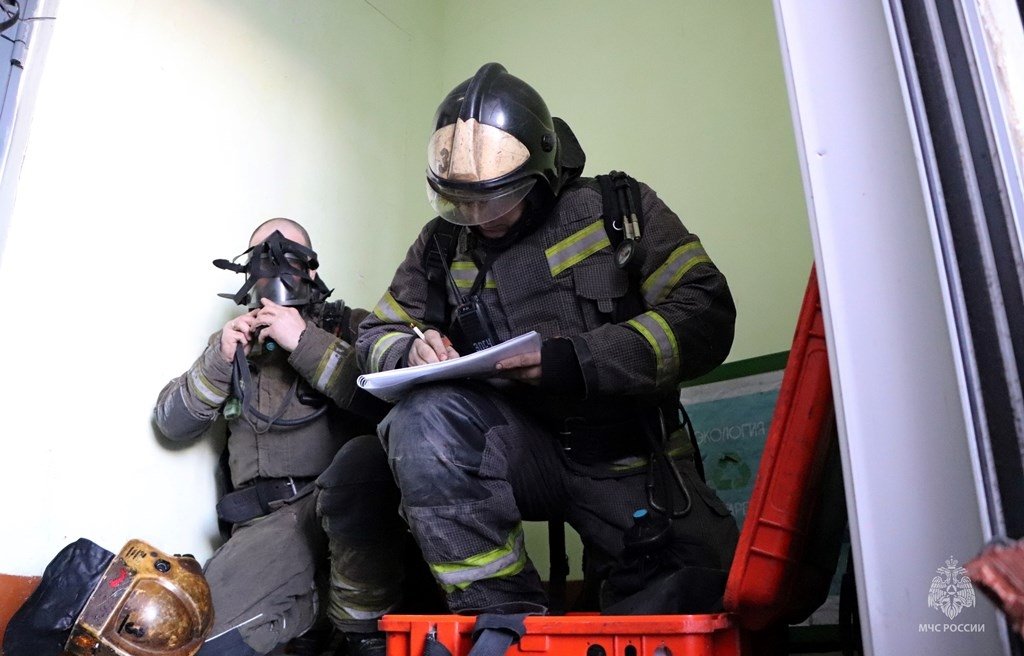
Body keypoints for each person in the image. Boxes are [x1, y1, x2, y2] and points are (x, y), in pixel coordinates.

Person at [355, 63, 740, 619]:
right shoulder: (441, 244)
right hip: (516, 450)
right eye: (460, 202)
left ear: (541, 173)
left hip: (630, 457)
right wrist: (406, 350)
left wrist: (578, 360)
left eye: (494, 200)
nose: (476, 218)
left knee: (709, 602)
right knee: (421, 422)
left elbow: (706, 312)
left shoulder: (617, 209)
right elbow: (376, 332)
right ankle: (500, 621)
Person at [154, 218, 424, 656]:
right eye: (261, 259)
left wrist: (304, 342)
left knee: (361, 465)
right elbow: (172, 423)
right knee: (197, 636)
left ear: (312, 270)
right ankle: (312, 614)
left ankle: (357, 631)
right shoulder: (233, 345)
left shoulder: (353, 327)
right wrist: (220, 360)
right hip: (264, 529)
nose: (274, 269)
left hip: (341, 509)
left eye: (289, 258)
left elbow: (395, 406)